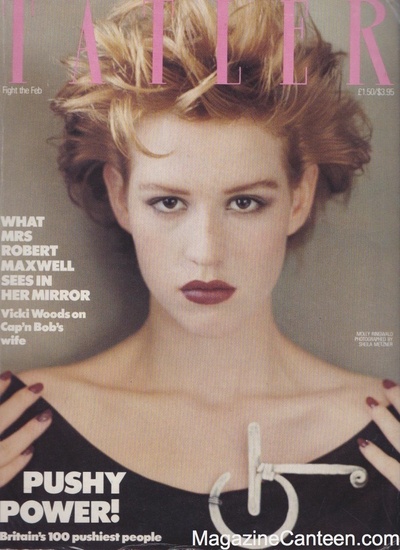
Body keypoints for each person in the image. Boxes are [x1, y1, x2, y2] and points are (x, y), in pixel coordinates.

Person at [0, 0, 399, 547]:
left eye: (245, 203)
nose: (206, 253)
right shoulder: (14, 430)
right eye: (168, 202)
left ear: (299, 196)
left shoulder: (389, 440)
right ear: (119, 195)